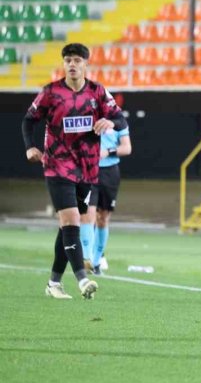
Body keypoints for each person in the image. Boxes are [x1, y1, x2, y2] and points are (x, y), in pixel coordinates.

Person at [21, 43, 127, 300]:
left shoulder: (97, 92)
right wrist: (30, 147)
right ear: (63, 63)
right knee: (71, 221)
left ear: (85, 64)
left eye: (77, 60)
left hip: (87, 170)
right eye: (68, 60)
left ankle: (53, 283)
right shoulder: (51, 92)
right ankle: (82, 279)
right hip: (57, 166)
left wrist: (109, 121)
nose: (72, 64)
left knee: (66, 226)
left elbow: (121, 119)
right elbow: (29, 121)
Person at [90, 124, 132, 273]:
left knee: (103, 218)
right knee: (88, 215)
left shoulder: (118, 120)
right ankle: (86, 259)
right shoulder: (87, 114)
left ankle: (96, 261)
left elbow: (127, 148)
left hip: (109, 172)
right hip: (88, 169)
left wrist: (108, 151)